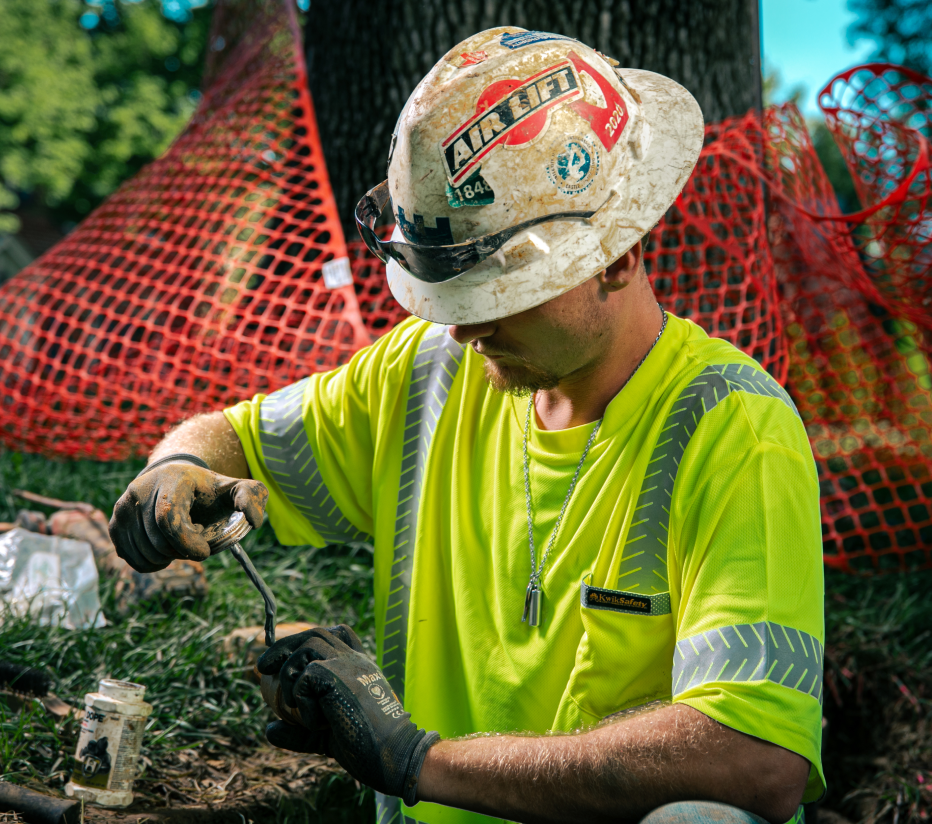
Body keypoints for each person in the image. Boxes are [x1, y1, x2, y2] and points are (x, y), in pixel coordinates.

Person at [110, 27, 825, 824]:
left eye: (496, 295)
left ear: (617, 255)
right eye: (450, 296)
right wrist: (174, 468)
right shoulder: (432, 371)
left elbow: (757, 760)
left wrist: (414, 759)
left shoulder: (732, 430)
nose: (462, 329)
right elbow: (233, 438)